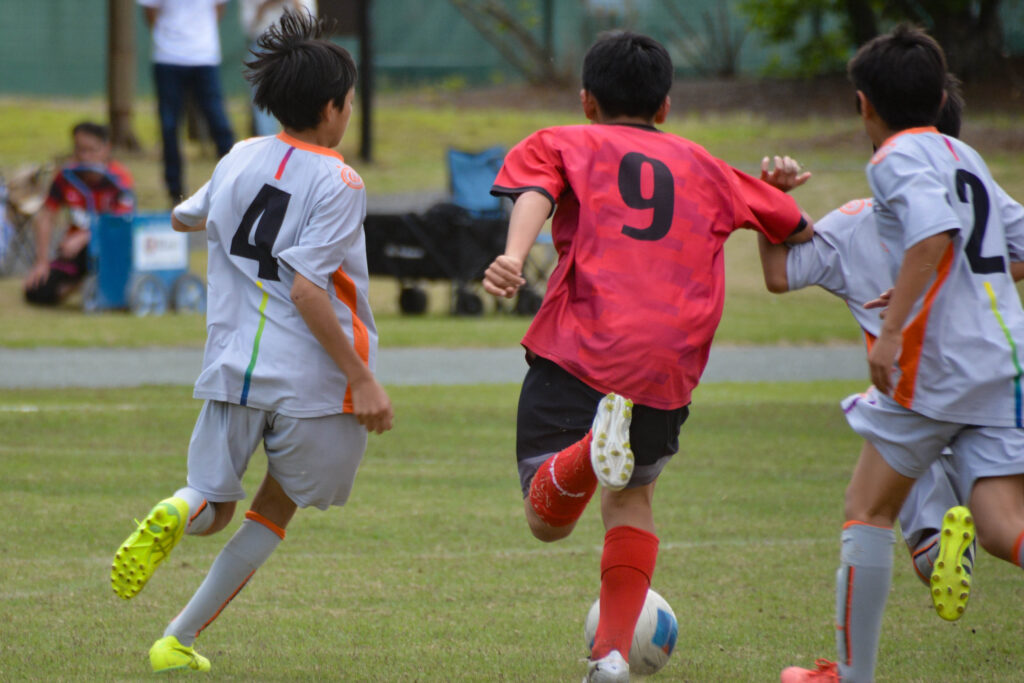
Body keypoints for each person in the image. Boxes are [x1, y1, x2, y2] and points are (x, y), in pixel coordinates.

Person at [482, 30, 813, 682]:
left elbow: (535, 193)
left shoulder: (561, 140)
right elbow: (793, 228)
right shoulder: (709, 166)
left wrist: (515, 256)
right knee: (631, 502)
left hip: (582, 343)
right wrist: (777, 190)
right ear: (665, 106)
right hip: (664, 363)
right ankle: (609, 657)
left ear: (586, 100)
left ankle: (587, 450)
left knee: (547, 522)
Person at [109, 11, 393, 674]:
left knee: (212, 502)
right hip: (313, 381)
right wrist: (362, 377)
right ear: (331, 108)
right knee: (275, 505)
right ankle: (175, 637)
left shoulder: (240, 155)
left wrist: (222, 217)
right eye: (350, 103)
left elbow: (184, 215)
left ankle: (179, 510)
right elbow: (307, 289)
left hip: (231, 367)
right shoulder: (340, 181)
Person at [781, 25, 1024, 683]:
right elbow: (1013, 245)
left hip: (937, 367)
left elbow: (933, 233)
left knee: (867, 508)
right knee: (1002, 528)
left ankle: (850, 676)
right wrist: (964, 285)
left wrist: (891, 331)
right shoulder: (964, 155)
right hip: (1002, 364)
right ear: (942, 97)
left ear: (864, 105)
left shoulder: (893, 158)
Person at [23, 121, 134, 306]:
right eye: (80, 150)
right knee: (37, 291)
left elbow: (122, 221)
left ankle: (99, 285)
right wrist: (41, 262)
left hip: (109, 249)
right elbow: (46, 216)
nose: (85, 157)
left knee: (99, 246)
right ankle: (82, 284)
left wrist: (84, 236)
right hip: (74, 251)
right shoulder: (67, 176)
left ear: (106, 148)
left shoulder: (118, 179)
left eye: (92, 150)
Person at [138, 0, 235, 204]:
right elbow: (150, 12)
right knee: (169, 126)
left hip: (204, 56)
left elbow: (219, 8)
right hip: (168, 56)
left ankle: (234, 181)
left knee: (218, 121)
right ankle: (175, 191)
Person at [240, 0, 318, 137]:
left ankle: (300, 141)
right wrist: (266, 5)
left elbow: (309, 22)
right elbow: (249, 27)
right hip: (263, 43)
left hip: (297, 43)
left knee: (300, 99)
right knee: (264, 104)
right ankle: (268, 140)